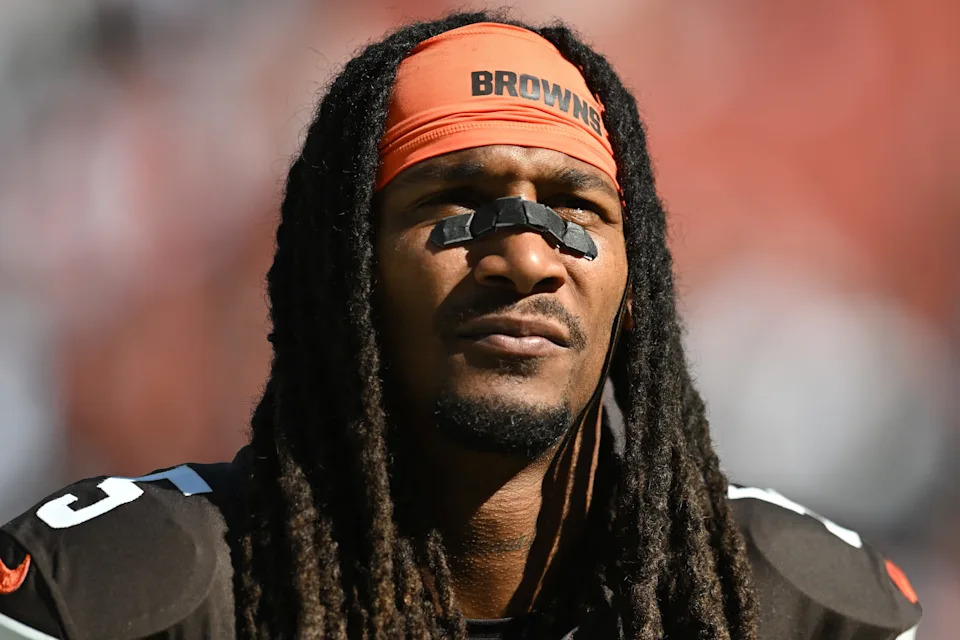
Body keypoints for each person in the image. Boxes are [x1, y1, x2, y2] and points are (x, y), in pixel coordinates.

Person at [0, 13, 922, 640]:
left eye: (573, 208)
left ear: (638, 285)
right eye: (458, 201)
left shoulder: (791, 604)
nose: (526, 257)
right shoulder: (124, 590)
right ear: (346, 274)